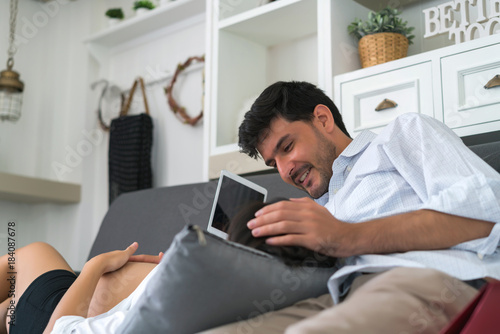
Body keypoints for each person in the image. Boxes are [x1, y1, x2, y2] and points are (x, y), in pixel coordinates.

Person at [203, 81, 500, 333]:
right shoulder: (322, 210)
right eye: (273, 163)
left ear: (322, 119)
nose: (284, 171)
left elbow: (487, 209)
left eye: (287, 147)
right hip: (336, 296)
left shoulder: (401, 135)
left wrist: (345, 236)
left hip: (429, 279)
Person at [0, 241, 162, 334]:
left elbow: (58, 330)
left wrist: (96, 266)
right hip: (61, 306)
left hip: (49, 318)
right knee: (8, 309)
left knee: (30, 255)